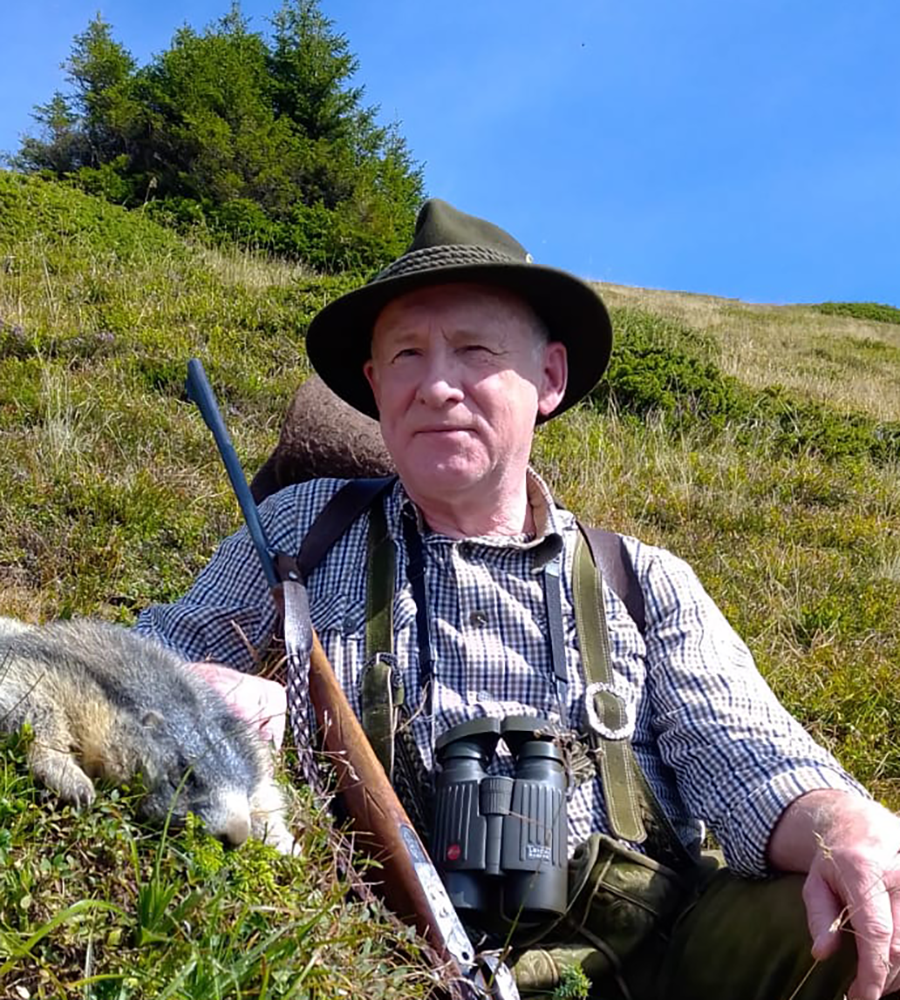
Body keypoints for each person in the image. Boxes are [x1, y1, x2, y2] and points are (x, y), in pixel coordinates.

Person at [135, 199, 900, 1000]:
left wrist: (839, 826)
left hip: (649, 962)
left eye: (473, 351)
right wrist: (207, 695)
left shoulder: (643, 579)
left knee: (860, 923)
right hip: (370, 950)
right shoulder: (300, 528)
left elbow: (746, 754)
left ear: (549, 378)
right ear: (373, 382)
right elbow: (146, 659)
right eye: (405, 355)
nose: (436, 385)